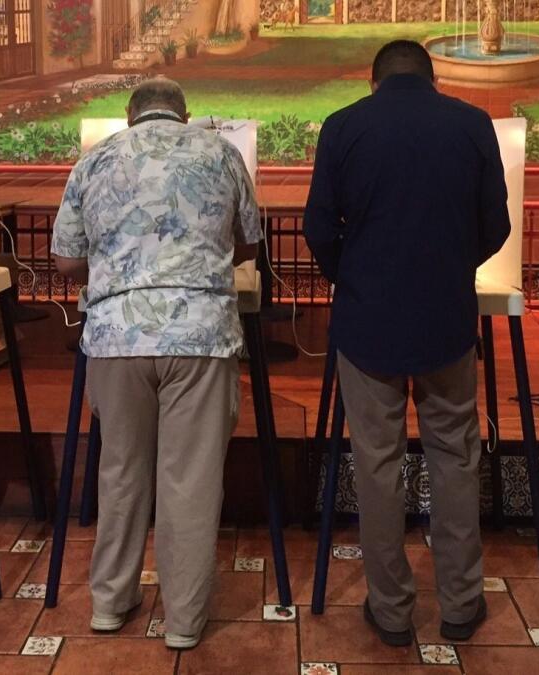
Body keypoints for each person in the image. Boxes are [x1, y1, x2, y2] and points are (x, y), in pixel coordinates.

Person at [303, 40, 511, 646]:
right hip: (447, 320)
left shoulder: (344, 127)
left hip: (368, 322)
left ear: (373, 82)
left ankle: (391, 611)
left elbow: (319, 227)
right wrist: (451, 265)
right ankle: (461, 605)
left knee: (377, 463)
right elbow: (494, 224)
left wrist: (355, 273)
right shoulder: (471, 124)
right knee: (455, 460)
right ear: (432, 77)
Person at [52, 78, 260, 651]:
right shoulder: (221, 152)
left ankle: (109, 603)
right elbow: (247, 243)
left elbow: (67, 259)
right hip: (201, 336)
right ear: (185, 113)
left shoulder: (94, 161)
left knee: (120, 471)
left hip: (117, 337)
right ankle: (185, 621)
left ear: (129, 114)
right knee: (189, 480)